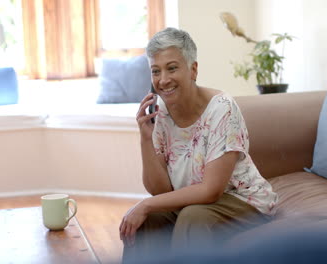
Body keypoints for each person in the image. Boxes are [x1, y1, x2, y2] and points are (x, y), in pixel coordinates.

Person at [119, 27, 278, 262]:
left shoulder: (222, 108)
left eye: (172, 68)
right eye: (156, 71)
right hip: (194, 203)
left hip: (242, 199)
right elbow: (160, 191)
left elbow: (211, 190)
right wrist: (145, 138)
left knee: (192, 217)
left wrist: (146, 204)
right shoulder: (160, 112)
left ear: (193, 69)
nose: (163, 80)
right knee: (150, 219)